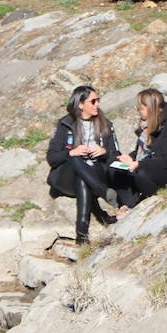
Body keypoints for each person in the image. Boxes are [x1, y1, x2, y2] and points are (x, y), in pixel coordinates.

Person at [46, 85, 120, 244]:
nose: (97, 104)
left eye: (98, 100)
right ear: (80, 104)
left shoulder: (105, 124)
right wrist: (71, 153)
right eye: (93, 101)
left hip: (95, 173)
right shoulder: (65, 124)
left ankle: (82, 234)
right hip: (66, 178)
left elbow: (116, 155)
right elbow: (52, 157)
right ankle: (102, 193)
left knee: (83, 180)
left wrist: (104, 151)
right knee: (75, 159)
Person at [114, 87, 167, 212]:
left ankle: (153, 199)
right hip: (156, 167)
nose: (138, 111)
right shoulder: (148, 127)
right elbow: (145, 151)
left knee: (142, 174)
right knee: (116, 169)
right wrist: (131, 158)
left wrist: (139, 164)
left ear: (151, 108)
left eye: (141, 108)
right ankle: (129, 202)